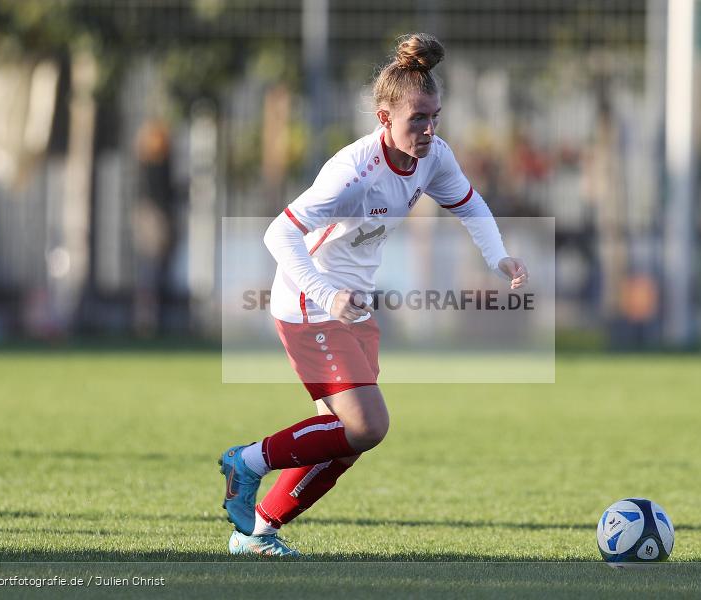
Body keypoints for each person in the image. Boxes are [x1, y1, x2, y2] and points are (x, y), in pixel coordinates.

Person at [219, 33, 529, 557]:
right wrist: (327, 294)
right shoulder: (352, 172)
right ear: (384, 118)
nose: (429, 129)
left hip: (354, 307)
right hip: (308, 302)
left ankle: (256, 535)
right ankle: (246, 462)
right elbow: (279, 232)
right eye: (417, 119)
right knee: (366, 425)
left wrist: (498, 257)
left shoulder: (433, 156)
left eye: (435, 116)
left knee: (345, 441)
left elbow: (470, 206)